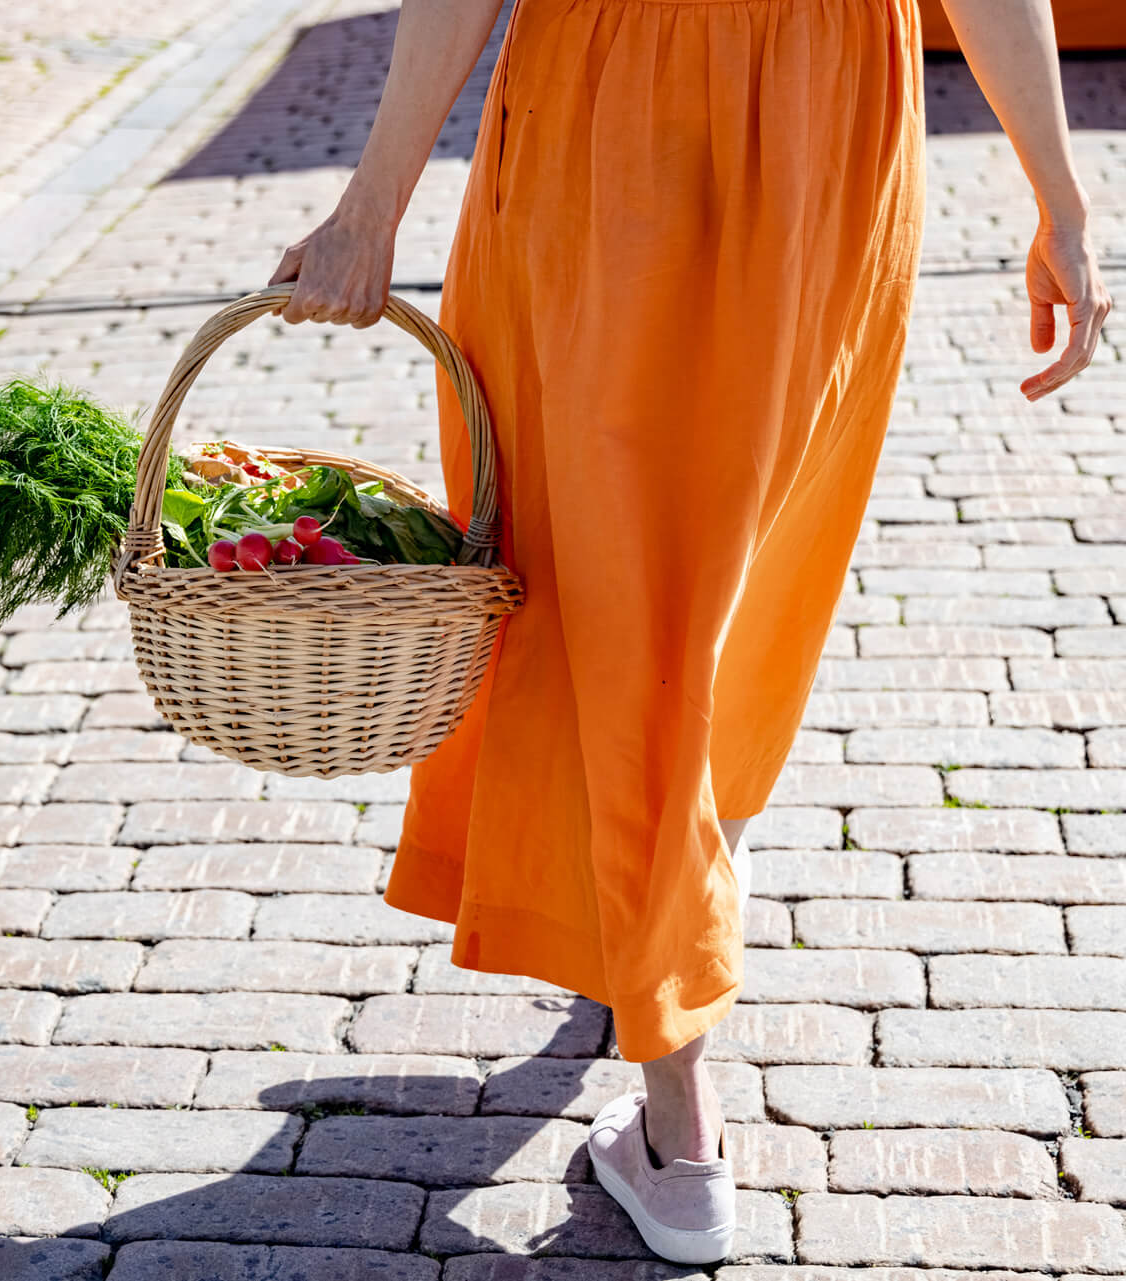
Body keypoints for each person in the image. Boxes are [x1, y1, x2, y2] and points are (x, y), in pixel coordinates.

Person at [270, 0, 1109, 1263]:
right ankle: (654, 911)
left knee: (620, 600)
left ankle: (680, 1134)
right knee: (723, 587)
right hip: (834, 123)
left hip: (623, 116)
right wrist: (1062, 197)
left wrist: (374, 203)